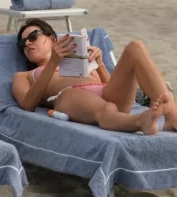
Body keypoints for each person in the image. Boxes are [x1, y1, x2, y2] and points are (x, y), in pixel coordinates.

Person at [11, 19, 176, 134]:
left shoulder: (80, 59)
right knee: (100, 106)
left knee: (136, 47)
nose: (27, 43)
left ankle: (172, 118)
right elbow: (28, 105)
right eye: (22, 43)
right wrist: (53, 63)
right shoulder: (23, 76)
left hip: (107, 95)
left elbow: (110, 88)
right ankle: (140, 122)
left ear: (52, 38)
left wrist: (100, 64)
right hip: (70, 97)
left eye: (33, 37)